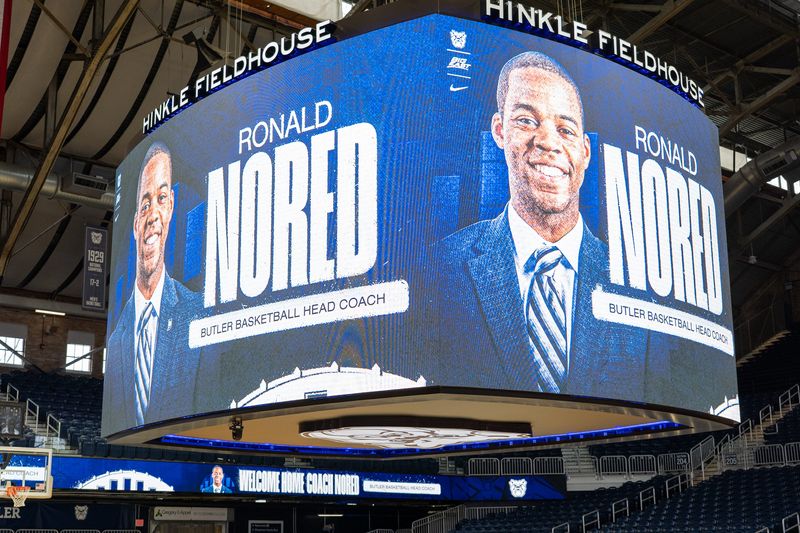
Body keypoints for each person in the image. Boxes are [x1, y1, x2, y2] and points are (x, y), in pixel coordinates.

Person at [429, 51, 671, 403]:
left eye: (565, 129)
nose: (547, 142)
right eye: (527, 121)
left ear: (585, 151)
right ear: (500, 130)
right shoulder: (440, 266)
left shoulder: (634, 287)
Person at [102, 142, 203, 432]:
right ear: (135, 223)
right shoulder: (116, 341)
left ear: (171, 206)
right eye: (145, 205)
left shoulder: (195, 315)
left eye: (161, 199)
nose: (153, 216)